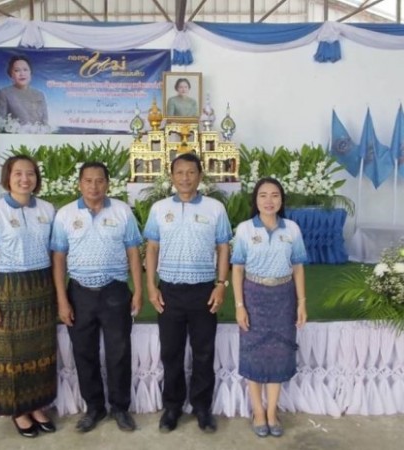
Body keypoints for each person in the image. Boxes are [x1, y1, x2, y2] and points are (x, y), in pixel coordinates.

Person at [50, 162, 143, 433]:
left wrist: (137, 290)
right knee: (84, 353)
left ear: (108, 184)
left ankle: (120, 408)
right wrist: (62, 300)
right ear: (79, 184)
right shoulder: (66, 215)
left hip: (115, 291)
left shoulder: (122, 211)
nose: (94, 186)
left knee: (119, 352)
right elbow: (59, 258)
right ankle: (94, 408)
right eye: (88, 181)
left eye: (99, 180)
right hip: (79, 293)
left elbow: (133, 253)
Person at [144, 153, 232, 433]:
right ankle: (172, 407)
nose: (185, 178)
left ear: (200, 176)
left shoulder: (214, 208)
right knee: (171, 352)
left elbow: (223, 248)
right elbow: (152, 248)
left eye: (190, 172)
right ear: (171, 176)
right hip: (169, 290)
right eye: (179, 172)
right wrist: (150, 286)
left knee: (204, 352)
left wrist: (221, 284)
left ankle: (202, 408)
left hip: (204, 290)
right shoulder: (159, 209)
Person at [0, 155, 58, 438]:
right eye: (18, 174)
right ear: (7, 178)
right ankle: (18, 410)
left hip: (42, 287)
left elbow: (55, 254)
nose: (25, 179)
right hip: (10, 290)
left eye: (31, 174)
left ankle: (37, 405)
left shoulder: (48, 209)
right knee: (12, 354)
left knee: (42, 350)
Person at [230, 177, 308, 438]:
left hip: (284, 297)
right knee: (254, 353)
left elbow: (298, 267)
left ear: (281, 200)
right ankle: (258, 411)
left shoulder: (292, 230)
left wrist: (301, 303)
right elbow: (237, 269)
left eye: (275, 195)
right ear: (255, 200)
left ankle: (272, 412)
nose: (269, 201)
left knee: (279, 354)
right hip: (254, 295)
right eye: (263, 195)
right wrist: (240, 305)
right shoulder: (244, 230)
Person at [0, 55, 49, 127]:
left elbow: (45, 123)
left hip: (39, 136)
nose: (22, 74)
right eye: (17, 70)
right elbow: (0, 124)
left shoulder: (39, 94)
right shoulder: (3, 93)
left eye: (25, 70)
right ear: (11, 74)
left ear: (30, 72)